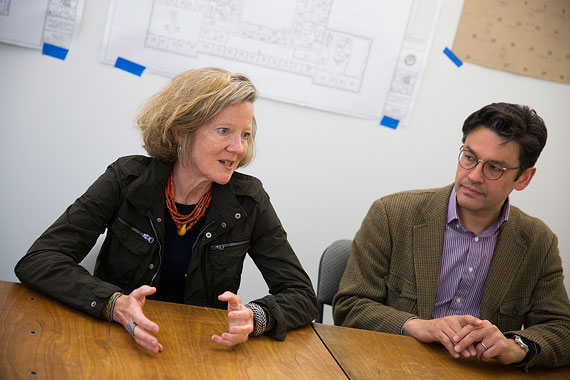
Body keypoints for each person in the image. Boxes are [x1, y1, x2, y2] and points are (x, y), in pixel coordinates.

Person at [15, 67, 317, 352]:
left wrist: (257, 317)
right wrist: (113, 303)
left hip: (200, 349)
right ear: (180, 131)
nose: (238, 147)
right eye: (224, 131)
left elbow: (302, 296)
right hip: (112, 340)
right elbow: (40, 260)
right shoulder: (126, 179)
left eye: (245, 134)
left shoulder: (249, 200)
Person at [333, 102, 570, 369]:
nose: (474, 176)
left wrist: (513, 346)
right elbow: (349, 306)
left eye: (494, 168)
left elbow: (562, 329)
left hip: (479, 373)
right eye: (469, 157)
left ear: (524, 178)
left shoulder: (537, 242)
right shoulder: (391, 214)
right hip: (388, 365)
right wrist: (417, 326)